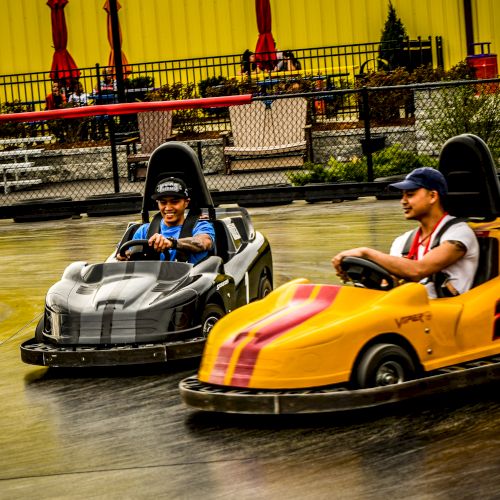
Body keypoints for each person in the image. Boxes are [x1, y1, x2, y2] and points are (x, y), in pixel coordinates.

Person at [332, 167, 479, 298]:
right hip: (411, 315)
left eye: (410, 194)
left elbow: (418, 270)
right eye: (402, 195)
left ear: (433, 196)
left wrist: (366, 253)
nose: (403, 201)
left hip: (445, 317)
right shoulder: (402, 242)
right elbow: (391, 283)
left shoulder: (459, 233)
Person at [117, 177, 215, 265]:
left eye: (174, 202)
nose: (168, 208)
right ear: (158, 203)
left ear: (186, 202)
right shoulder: (144, 231)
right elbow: (129, 256)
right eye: (163, 202)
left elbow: (203, 242)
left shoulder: (201, 227)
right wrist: (125, 257)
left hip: (190, 281)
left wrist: (172, 243)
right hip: (151, 280)